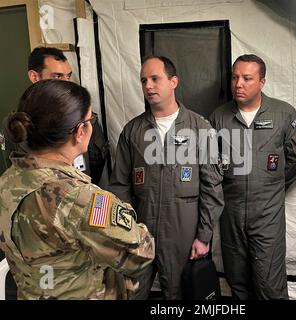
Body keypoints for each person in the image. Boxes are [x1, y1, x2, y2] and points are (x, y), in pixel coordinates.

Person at [0, 80, 154, 299]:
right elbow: (141, 251)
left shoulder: (8, 180)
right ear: (80, 131)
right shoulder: (77, 197)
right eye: (90, 119)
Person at [109, 55, 224, 299]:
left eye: (155, 79)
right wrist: (127, 231)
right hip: (140, 233)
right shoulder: (132, 131)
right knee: (131, 293)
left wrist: (204, 237)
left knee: (179, 295)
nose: (148, 86)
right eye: (143, 81)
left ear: (173, 82)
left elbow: (212, 188)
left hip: (182, 235)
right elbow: (119, 185)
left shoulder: (199, 128)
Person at [209, 54, 296, 299]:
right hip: (231, 214)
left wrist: (272, 185)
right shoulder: (219, 117)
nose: (238, 84)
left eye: (247, 78)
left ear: (262, 82)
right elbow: (210, 164)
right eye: (234, 77)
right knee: (237, 281)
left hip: (267, 215)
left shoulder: (283, 113)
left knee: (269, 285)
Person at [3, 46, 108, 185]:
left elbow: (98, 166)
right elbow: (13, 171)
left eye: (68, 76)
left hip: (81, 195)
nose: (66, 82)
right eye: (57, 76)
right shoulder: (17, 122)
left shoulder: (86, 118)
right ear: (34, 76)